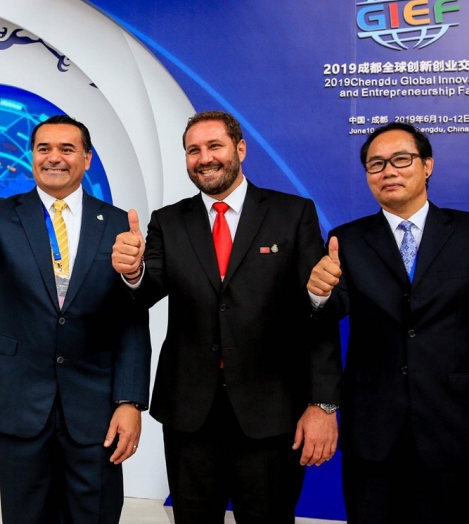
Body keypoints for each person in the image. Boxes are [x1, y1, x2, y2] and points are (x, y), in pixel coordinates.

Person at [111, 110, 342, 524]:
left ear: (240, 149)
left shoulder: (292, 213)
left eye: (214, 146)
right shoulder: (168, 221)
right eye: (193, 150)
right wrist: (132, 271)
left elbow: (320, 317)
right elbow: (146, 290)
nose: (204, 158)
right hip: (189, 416)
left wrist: (322, 402)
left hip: (271, 414)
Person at [307, 122, 469, 524]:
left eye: (401, 160)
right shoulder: (346, 240)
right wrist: (317, 294)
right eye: (376, 164)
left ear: (427, 166)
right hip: (372, 433)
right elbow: (327, 317)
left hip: (454, 431)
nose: (388, 171)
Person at [0, 114, 151, 524]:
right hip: (18, 405)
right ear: (32, 156)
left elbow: (130, 320)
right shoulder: (0, 214)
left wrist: (130, 402)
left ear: (86, 159)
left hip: (94, 411)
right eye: (44, 149)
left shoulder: (115, 224)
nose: (54, 157)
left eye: (66, 149)